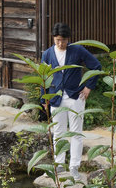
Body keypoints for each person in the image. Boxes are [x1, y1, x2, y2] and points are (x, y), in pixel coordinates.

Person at [41, 23, 102, 174]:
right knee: (58, 132)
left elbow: (96, 66)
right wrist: (44, 98)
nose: (60, 43)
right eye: (57, 40)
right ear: (53, 39)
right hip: (56, 98)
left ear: (68, 39)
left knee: (76, 132)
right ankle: (59, 164)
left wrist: (88, 87)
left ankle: (74, 166)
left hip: (76, 96)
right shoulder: (47, 54)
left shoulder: (77, 50)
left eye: (63, 40)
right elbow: (43, 77)